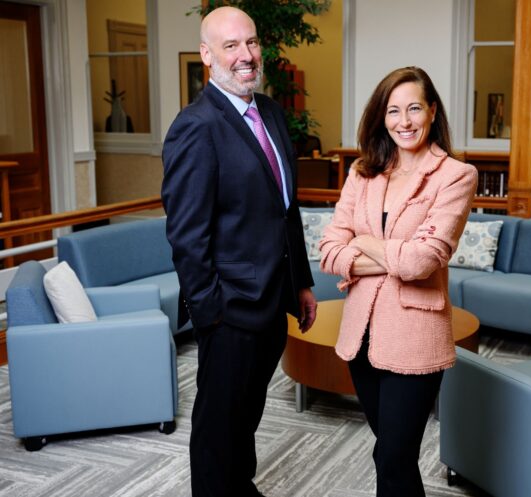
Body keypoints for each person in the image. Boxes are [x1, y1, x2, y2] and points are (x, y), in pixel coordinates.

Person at [161, 6, 317, 497]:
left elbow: (285, 209)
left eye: (251, 43)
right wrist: (211, 315)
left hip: (272, 303)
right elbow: (187, 236)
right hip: (229, 312)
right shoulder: (196, 126)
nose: (246, 55)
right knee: (216, 427)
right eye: (231, 46)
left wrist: (303, 284)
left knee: (246, 416)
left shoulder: (269, 111)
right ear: (207, 55)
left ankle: (239, 488)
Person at [319, 67, 477, 497]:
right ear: (381, 116)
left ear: (432, 111)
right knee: (390, 453)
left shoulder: (455, 176)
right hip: (362, 335)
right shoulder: (363, 172)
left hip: (414, 336)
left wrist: (366, 242)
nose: (403, 121)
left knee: (392, 457)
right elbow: (330, 250)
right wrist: (389, 251)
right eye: (393, 110)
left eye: (413, 108)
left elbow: (422, 262)